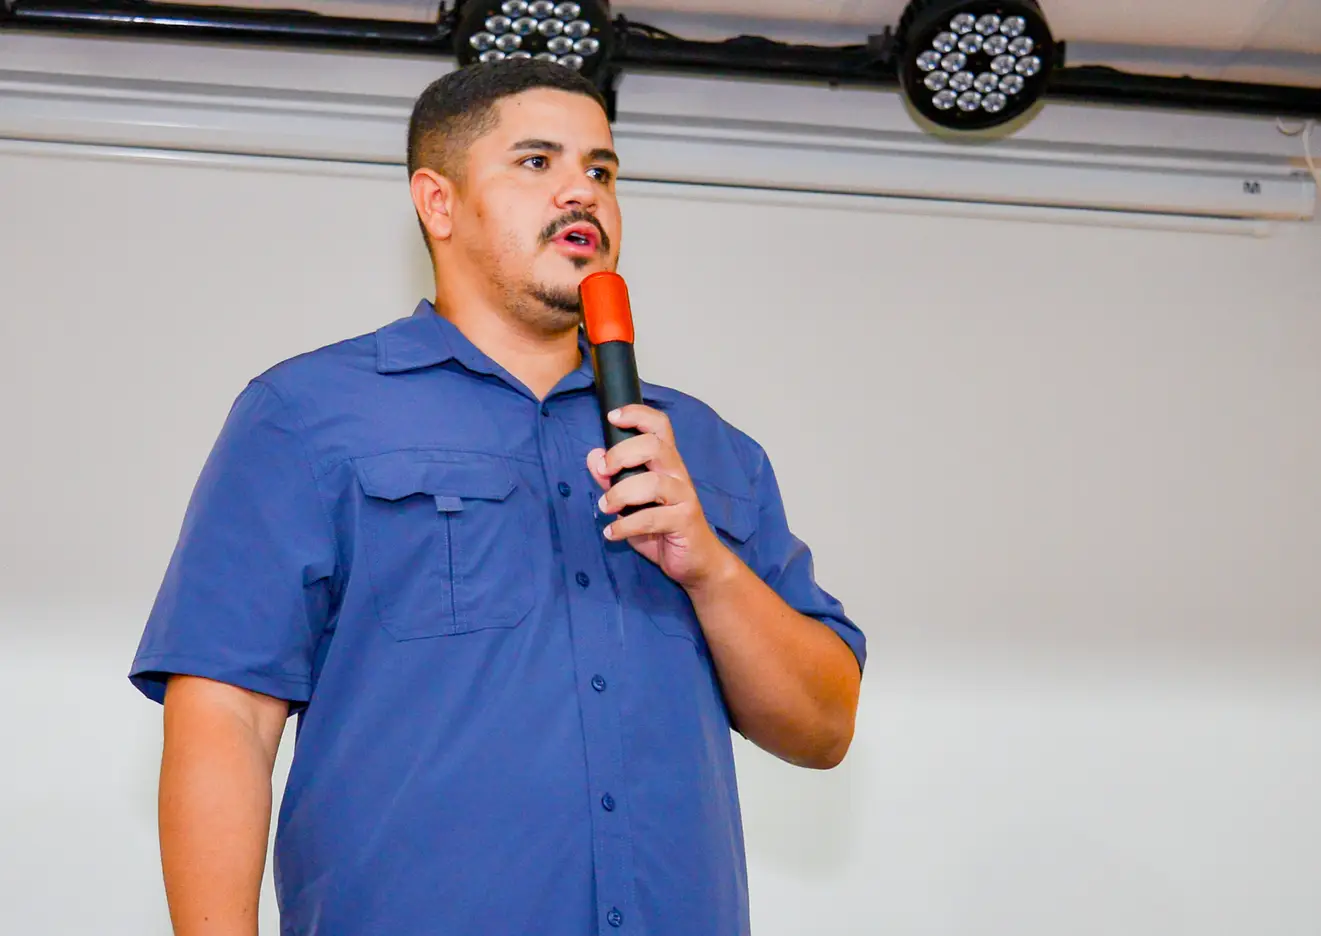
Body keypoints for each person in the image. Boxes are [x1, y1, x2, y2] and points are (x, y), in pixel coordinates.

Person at [129, 59, 866, 936]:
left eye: (601, 170)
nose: (582, 192)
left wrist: (711, 570)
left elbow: (824, 726)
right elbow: (224, 717)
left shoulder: (701, 448)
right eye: (537, 162)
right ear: (437, 203)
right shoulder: (307, 416)